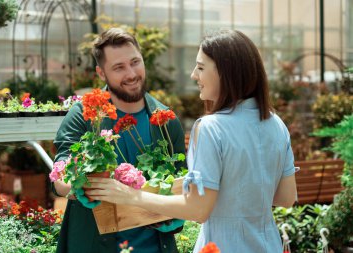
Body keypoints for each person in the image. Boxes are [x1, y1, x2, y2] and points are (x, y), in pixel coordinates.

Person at [87, 29, 298, 253]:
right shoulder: (276, 124)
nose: (193, 75)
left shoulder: (211, 128)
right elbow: (286, 198)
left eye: (200, 67)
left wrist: (131, 196)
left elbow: (197, 210)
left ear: (225, 72)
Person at [52, 27, 186, 253]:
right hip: (95, 245)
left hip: (155, 247)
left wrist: (178, 213)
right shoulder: (84, 115)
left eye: (135, 62)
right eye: (119, 67)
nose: (132, 73)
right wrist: (80, 186)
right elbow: (59, 176)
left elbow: (182, 181)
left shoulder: (165, 120)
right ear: (101, 73)